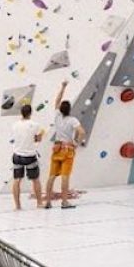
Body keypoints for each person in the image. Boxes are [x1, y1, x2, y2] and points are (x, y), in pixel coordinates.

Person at [46, 81, 86, 209]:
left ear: (60, 109)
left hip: (56, 149)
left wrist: (63, 87)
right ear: (69, 109)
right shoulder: (72, 120)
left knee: (51, 176)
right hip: (67, 150)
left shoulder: (57, 116)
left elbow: (57, 101)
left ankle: (48, 202)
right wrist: (76, 143)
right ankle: (64, 202)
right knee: (65, 177)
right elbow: (82, 132)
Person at [10, 103, 45, 210]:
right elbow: (38, 139)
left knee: (17, 180)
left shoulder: (15, 125)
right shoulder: (35, 125)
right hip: (30, 155)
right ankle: (39, 203)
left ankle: (17, 206)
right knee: (35, 180)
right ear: (30, 113)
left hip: (17, 155)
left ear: (21, 113)